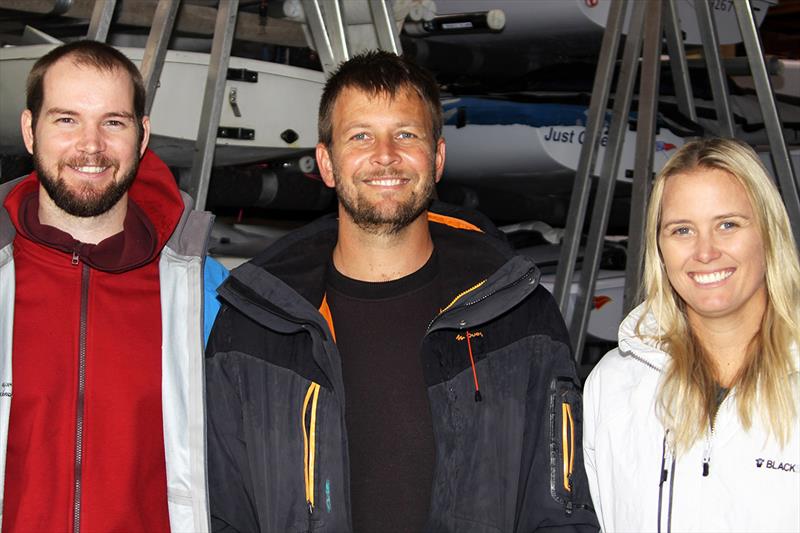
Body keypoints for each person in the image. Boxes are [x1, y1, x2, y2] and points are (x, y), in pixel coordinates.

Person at [205, 51, 598, 532]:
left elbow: (561, 511)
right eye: (361, 135)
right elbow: (220, 513)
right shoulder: (256, 321)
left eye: (406, 134)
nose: (385, 154)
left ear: (437, 159)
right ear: (327, 163)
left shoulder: (516, 314)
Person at [0, 40, 226, 531]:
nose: (91, 145)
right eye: (66, 119)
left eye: (113, 122)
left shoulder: (203, 293)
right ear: (29, 130)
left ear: (142, 136)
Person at [583, 138, 800, 532]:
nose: (705, 252)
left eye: (728, 225)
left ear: (769, 234)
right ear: (660, 249)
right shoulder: (615, 384)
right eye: (682, 230)